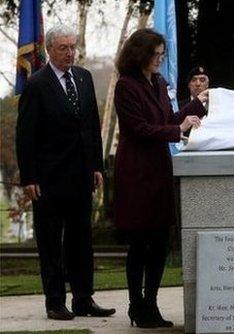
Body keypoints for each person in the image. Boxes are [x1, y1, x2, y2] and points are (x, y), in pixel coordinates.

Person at [15, 25, 115, 320]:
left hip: (81, 176)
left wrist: (97, 165)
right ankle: (55, 302)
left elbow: (91, 127)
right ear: (50, 50)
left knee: (81, 241)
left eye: (73, 47)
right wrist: (29, 177)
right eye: (64, 48)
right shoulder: (36, 85)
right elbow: (26, 136)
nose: (70, 53)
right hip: (48, 180)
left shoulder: (83, 78)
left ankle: (84, 298)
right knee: (50, 243)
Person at [113, 28, 206, 328]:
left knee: (160, 241)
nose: (159, 60)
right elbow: (139, 128)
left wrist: (194, 108)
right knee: (140, 243)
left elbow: (167, 120)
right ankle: (135, 304)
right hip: (137, 174)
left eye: (161, 55)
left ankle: (150, 304)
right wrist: (176, 130)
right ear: (139, 53)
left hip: (159, 172)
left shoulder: (159, 82)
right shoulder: (126, 86)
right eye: (154, 55)